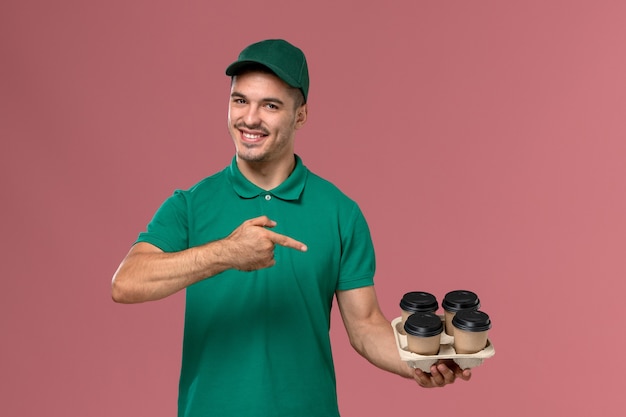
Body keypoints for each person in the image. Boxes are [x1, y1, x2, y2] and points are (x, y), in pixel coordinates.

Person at [111, 39, 471, 416]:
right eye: (240, 100)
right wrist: (225, 253)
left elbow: (365, 327)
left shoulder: (339, 213)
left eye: (270, 105)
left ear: (300, 116)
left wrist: (419, 363)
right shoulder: (189, 205)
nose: (250, 118)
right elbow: (126, 283)